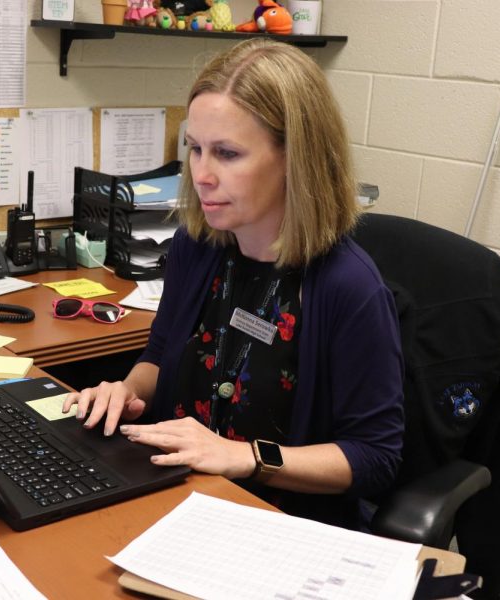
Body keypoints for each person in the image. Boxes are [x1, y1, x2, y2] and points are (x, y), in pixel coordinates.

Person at [63, 38, 404, 530]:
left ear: (295, 158)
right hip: (177, 493)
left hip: (276, 520)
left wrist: (243, 456)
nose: (201, 175)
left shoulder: (348, 286)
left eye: (227, 153)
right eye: (195, 149)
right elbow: (160, 354)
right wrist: (127, 391)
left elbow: (375, 457)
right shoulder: (197, 246)